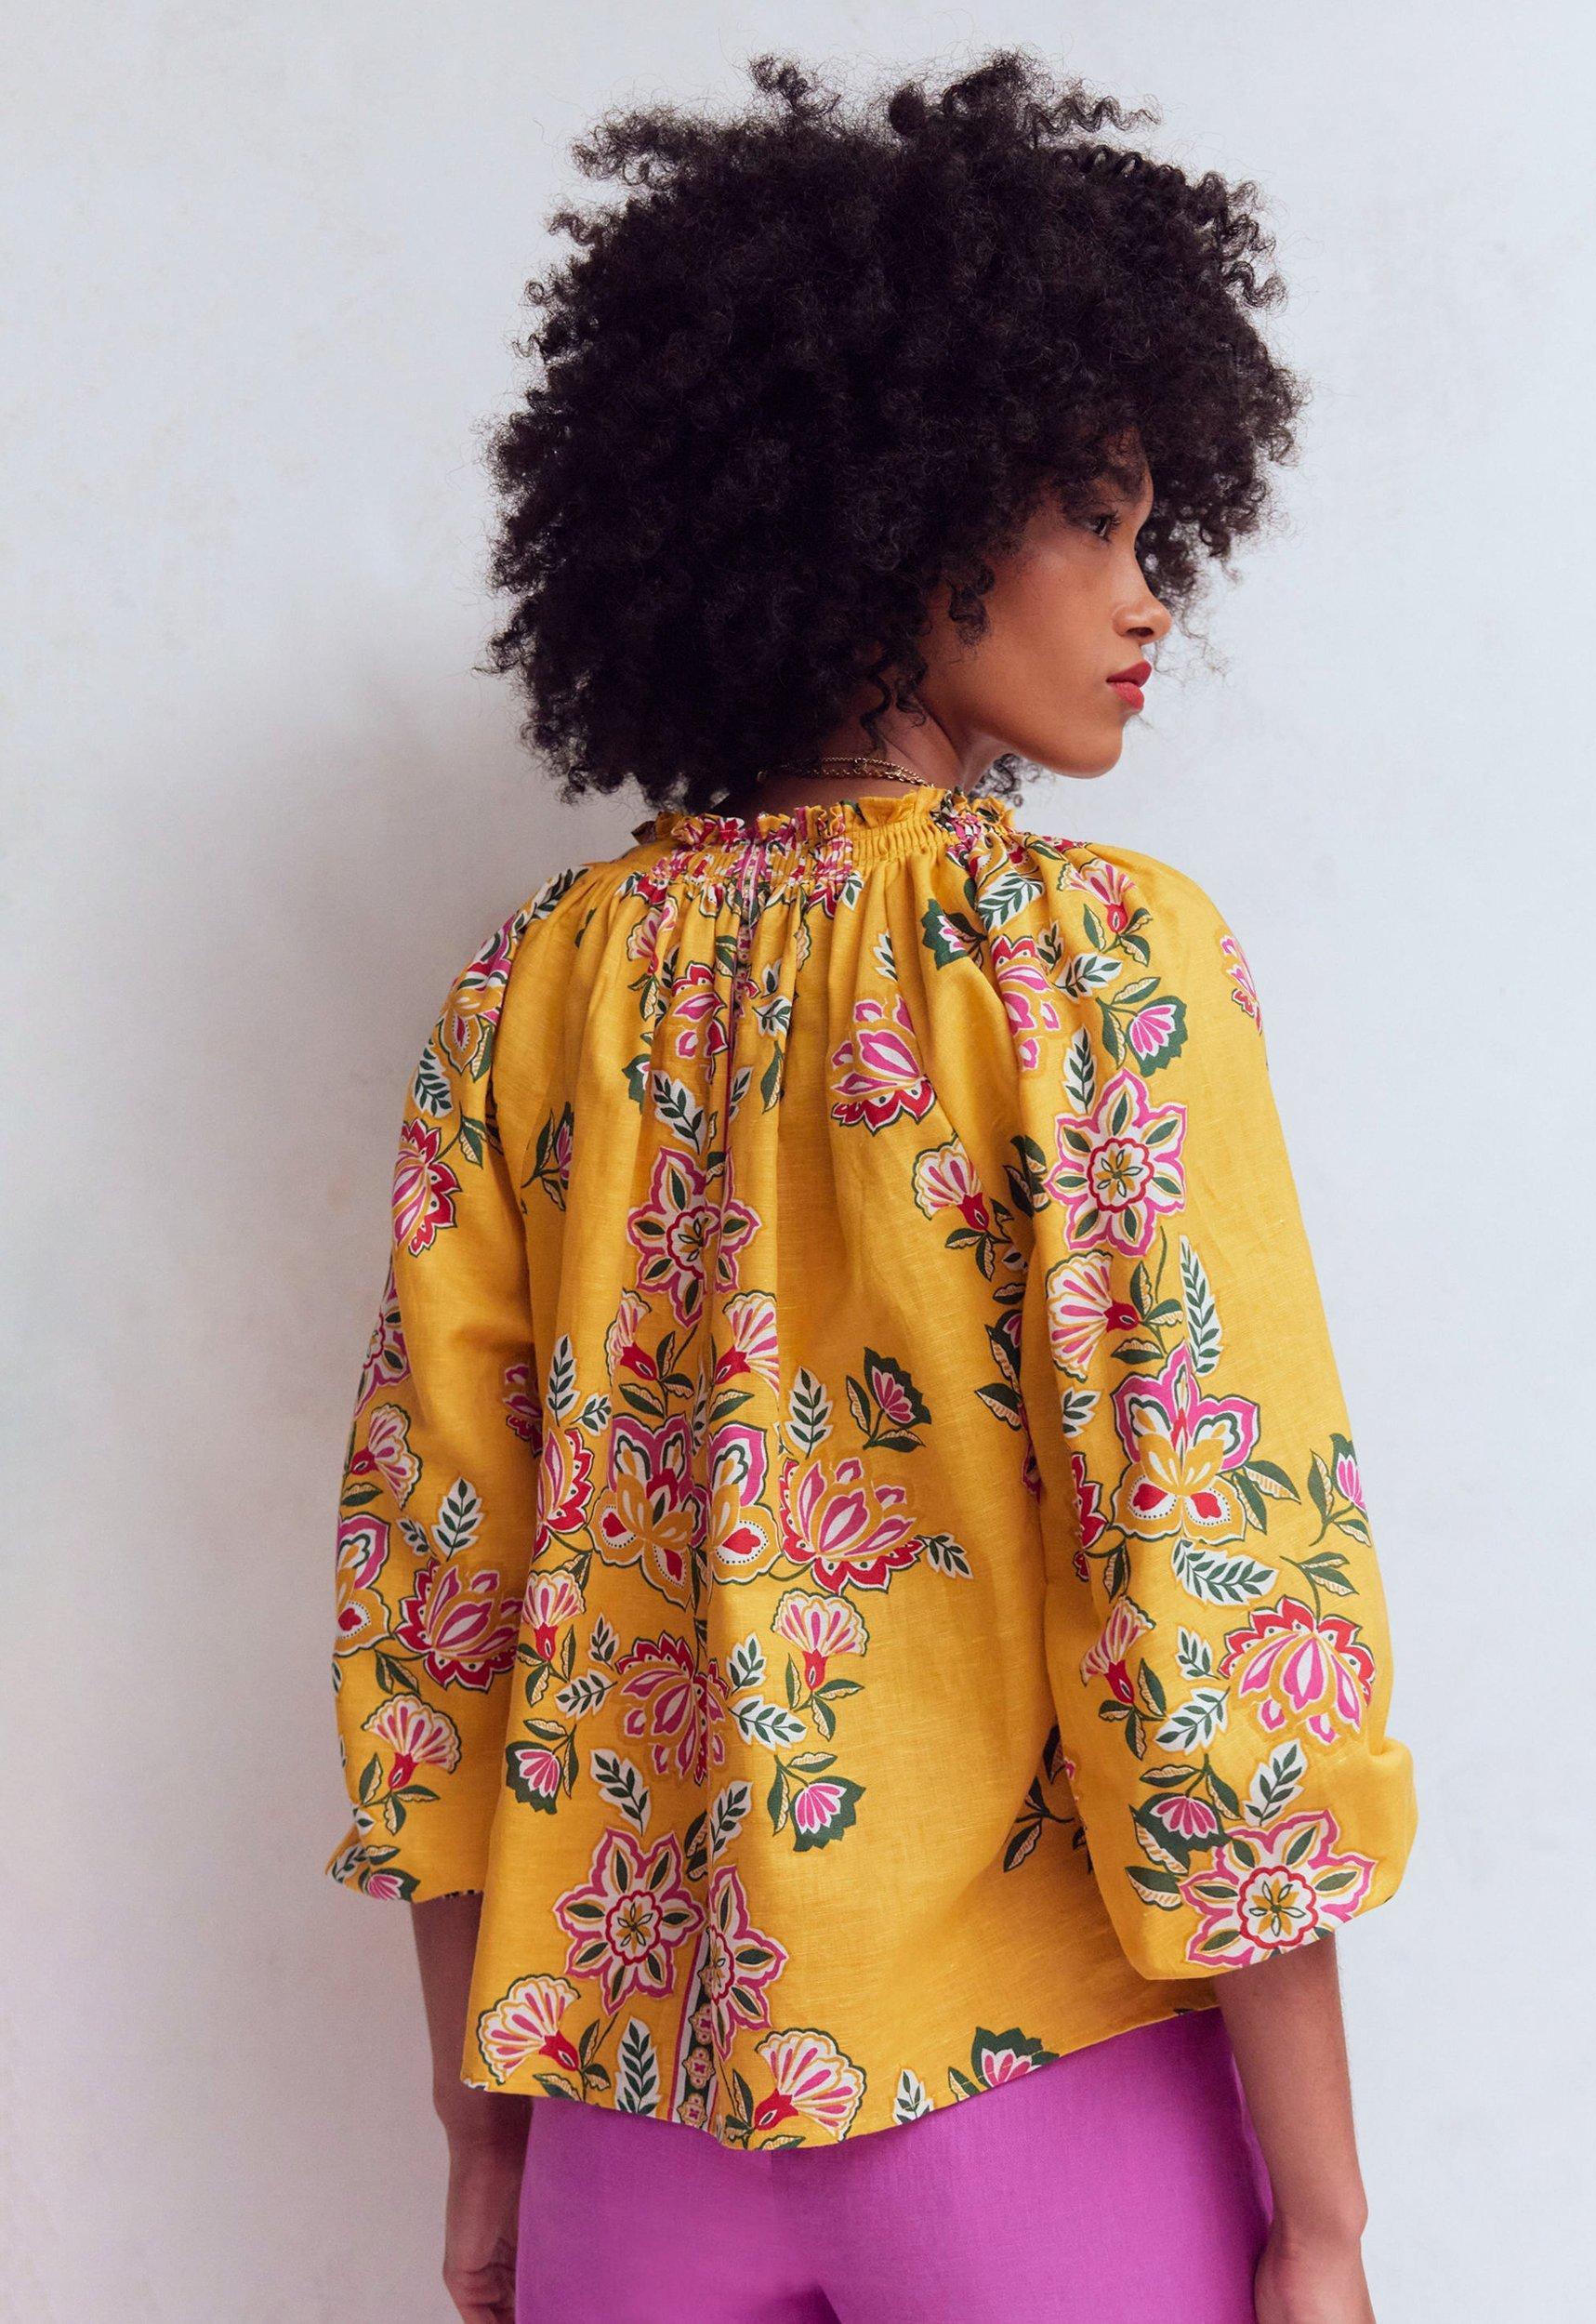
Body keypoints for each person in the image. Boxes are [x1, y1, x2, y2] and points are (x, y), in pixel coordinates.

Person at [323, 48, 1416, 2324]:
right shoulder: (1082, 965)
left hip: (624, 2117)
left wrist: (477, 2132)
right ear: (908, 516)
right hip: (1035, 2100)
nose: (1148, 599)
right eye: (1096, 519)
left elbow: (443, 1603)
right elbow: (1210, 1577)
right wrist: (1320, 2206)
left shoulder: (536, 993)